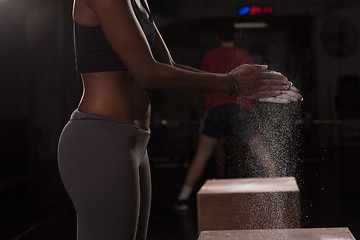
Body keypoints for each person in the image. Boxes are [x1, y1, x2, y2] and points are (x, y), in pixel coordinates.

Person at [57, 0, 302, 239]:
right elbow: (146, 74)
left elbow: (168, 65)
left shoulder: (139, 2)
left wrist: (237, 83)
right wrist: (231, 83)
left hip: (135, 141)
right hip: (101, 139)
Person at [174, 24, 279, 211]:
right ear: (236, 35)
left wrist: (195, 106)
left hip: (216, 108)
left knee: (202, 154)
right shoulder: (244, 57)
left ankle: (182, 198)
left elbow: (201, 83)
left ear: (217, 37)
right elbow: (254, 85)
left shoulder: (209, 56)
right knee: (260, 151)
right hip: (240, 108)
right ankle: (280, 191)